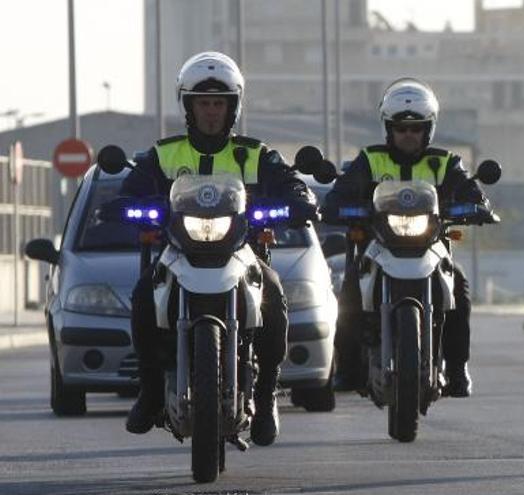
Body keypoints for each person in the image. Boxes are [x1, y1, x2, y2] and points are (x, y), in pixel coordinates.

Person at [122, 51, 316, 446]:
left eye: (219, 104)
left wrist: (298, 200)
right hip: (177, 253)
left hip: (241, 253)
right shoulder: (163, 154)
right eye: (204, 103)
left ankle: (265, 396)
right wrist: (128, 205)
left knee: (275, 297)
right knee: (143, 295)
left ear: (233, 107)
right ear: (188, 106)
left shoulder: (256, 154)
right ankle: (151, 390)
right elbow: (130, 189)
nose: (211, 112)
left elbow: (292, 183)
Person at [321, 78, 487, 397]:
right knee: (350, 290)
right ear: (389, 128)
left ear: (429, 129)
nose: (408, 135)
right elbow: (339, 194)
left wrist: (478, 206)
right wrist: (339, 206)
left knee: (461, 290)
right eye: (401, 128)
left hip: (432, 247)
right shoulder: (370, 159)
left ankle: (456, 368)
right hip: (379, 246)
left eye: (416, 128)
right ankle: (348, 368)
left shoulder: (445, 162)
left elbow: (471, 191)